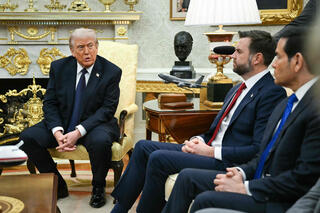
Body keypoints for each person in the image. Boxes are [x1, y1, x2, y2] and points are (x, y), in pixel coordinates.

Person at [111, 30, 286, 213]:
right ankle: (119, 209)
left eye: (239, 52)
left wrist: (211, 152)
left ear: (257, 58)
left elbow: (258, 149)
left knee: (158, 158)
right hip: (209, 149)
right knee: (142, 147)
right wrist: (199, 140)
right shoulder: (236, 88)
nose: (232, 55)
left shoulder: (271, 92)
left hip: (226, 161)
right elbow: (216, 131)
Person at [162, 29, 320, 213]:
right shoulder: (286, 104)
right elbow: (263, 154)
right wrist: (241, 173)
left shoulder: (314, 109)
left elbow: (304, 179)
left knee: (205, 201)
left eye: (278, 57)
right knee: (189, 179)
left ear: (298, 61)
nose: (274, 65)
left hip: (282, 201)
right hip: (257, 180)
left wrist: (246, 188)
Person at [20, 28, 122, 208]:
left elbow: (107, 109)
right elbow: (49, 102)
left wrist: (78, 132)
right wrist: (57, 131)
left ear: (97, 47)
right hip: (64, 120)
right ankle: (57, 185)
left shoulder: (111, 72)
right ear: (72, 51)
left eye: (91, 46)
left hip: (96, 123)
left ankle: (98, 187)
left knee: (100, 141)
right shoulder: (59, 67)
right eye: (81, 47)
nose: (87, 52)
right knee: (27, 137)